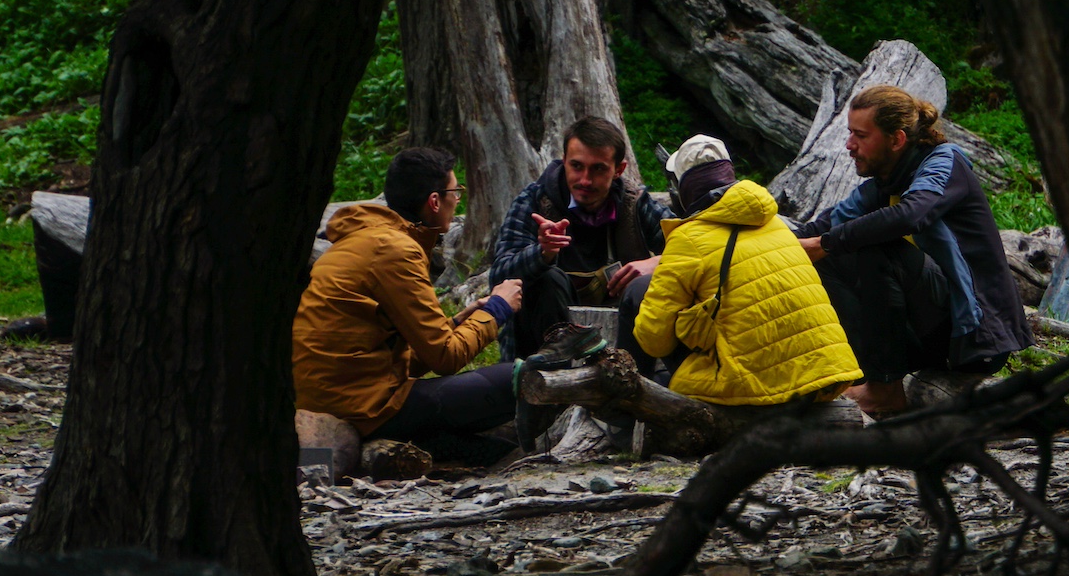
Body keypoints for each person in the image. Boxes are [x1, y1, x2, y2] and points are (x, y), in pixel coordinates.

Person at [798, 85, 1030, 416]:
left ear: (896, 140)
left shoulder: (945, 163)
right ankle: (861, 373)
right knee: (825, 256)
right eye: (850, 133)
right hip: (928, 333)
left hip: (974, 338)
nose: (849, 145)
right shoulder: (884, 182)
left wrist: (826, 242)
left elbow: (912, 214)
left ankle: (884, 389)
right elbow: (813, 231)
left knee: (865, 247)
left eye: (861, 136)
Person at [293, 146, 523, 464]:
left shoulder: (362, 240)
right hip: (361, 407)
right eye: (455, 192)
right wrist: (497, 309)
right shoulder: (395, 249)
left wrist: (457, 324)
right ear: (434, 201)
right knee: (522, 378)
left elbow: (389, 357)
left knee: (480, 434)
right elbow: (446, 357)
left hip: (333, 397)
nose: (458, 198)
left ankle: (463, 451)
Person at [634, 135, 861, 407]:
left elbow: (654, 342)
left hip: (757, 389)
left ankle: (626, 411)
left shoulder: (688, 240)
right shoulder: (775, 224)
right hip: (829, 374)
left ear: (685, 190)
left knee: (637, 292)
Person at [489, 115, 666, 361]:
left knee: (645, 284)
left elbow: (693, 245)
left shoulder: (634, 204)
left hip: (624, 347)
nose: (585, 180)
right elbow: (498, 277)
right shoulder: (534, 202)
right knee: (547, 279)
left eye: (598, 169)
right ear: (564, 161)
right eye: (577, 166)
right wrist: (542, 253)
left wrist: (656, 263)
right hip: (537, 349)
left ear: (619, 169)